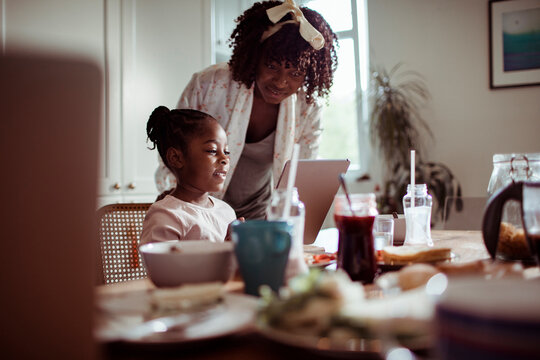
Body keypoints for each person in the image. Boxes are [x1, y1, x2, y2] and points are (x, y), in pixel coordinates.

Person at [156, 0, 338, 220]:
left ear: (308, 75)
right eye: (272, 66)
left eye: (295, 74)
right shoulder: (209, 84)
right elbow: (172, 146)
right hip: (199, 215)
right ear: (255, 56)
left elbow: (303, 176)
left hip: (261, 220)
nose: (280, 82)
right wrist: (177, 206)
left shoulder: (306, 108)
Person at [141, 106, 237, 244]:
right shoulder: (166, 215)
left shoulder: (226, 212)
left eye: (226, 152)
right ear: (176, 158)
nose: (225, 158)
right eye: (212, 150)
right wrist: (226, 249)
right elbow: (163, 265)